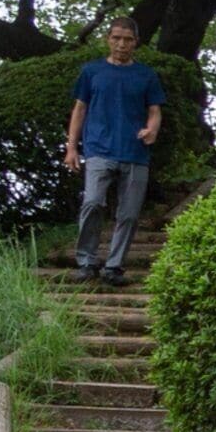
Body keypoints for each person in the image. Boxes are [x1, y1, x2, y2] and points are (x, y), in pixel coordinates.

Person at [65, 20, 169, 284]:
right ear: (108, 39)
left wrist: (152, 130)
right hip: (99, 148)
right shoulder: (92, 72)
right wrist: (71, 148)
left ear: (136, 42)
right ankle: (87, 262)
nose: (122, 44)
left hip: (135, 152)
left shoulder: (146, 75)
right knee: (92, 202)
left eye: (128, 40)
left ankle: (114, 267)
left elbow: (155, 111)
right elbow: (79, 109)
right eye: (117, 38)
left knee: (129, 213)